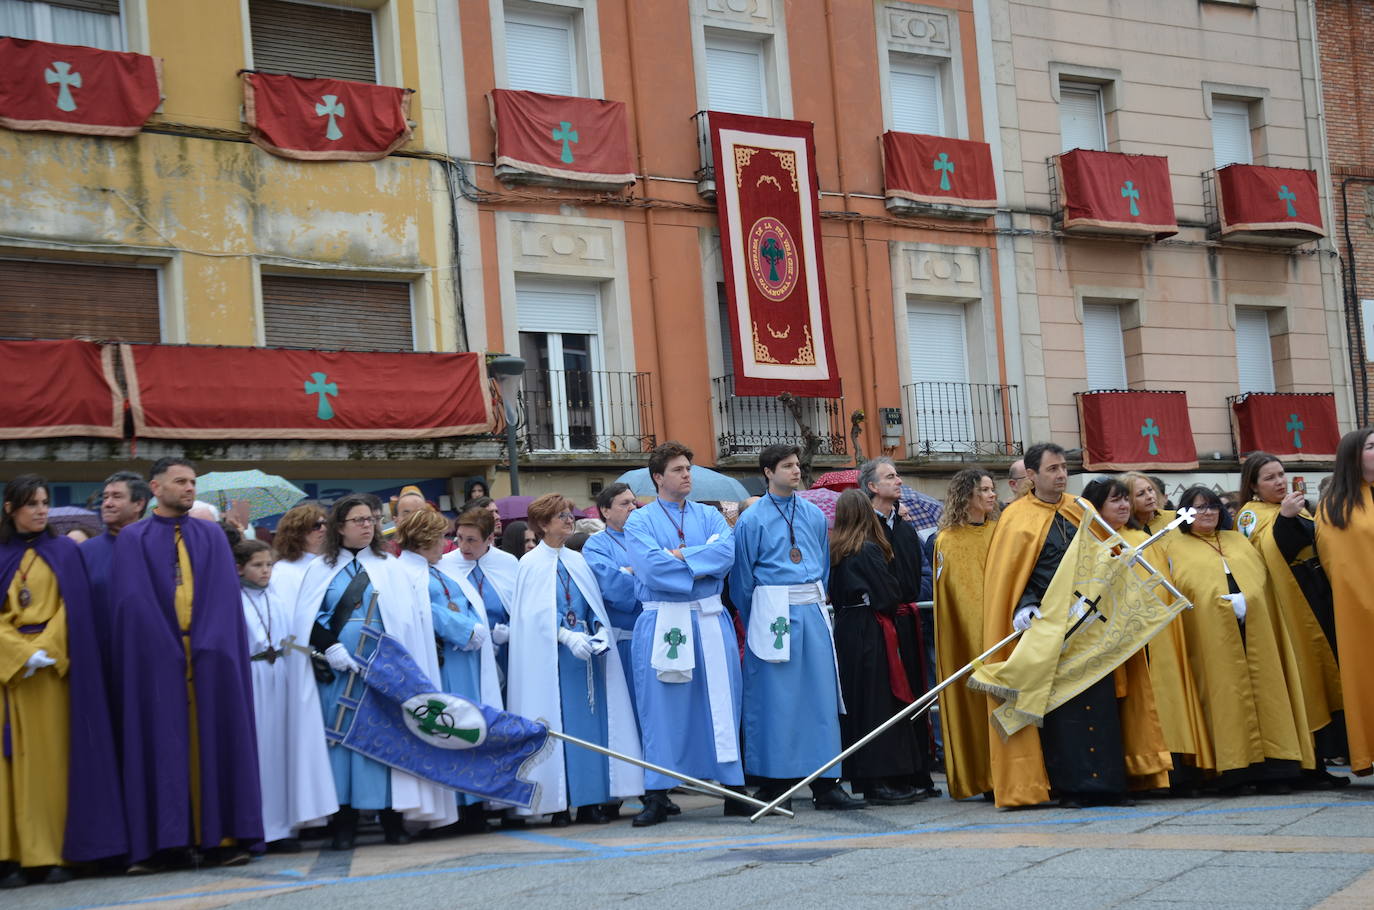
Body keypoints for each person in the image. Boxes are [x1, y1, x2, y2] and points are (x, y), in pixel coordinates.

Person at [978, 445, 1169, 808]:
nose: (1061, 474)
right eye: (1052, 469)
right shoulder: (1016, 518)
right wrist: (1024, 605)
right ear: (1031, 475)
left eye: (1064, 467)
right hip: (1051, 628)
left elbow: (1105, 555)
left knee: (1103, 701)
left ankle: (1111, 783)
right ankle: (1073, 786)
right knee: (1064, 707)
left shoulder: (1080, 509)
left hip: (1093, 623)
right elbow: (1014, 573)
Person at [110, 457, 262, 869]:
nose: (189, 488)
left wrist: (209, 644)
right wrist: (164, 648)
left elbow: (224, 598)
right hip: (157, 659)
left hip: (210, 657)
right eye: (180, 482)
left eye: (192, 482)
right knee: (160, 744)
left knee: (216, 739)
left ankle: (222, 838)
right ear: (155, 489)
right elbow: (132, 601)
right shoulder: (132, 538)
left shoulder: (211, 535)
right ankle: (167, 843)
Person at [294, 493, 453, 850]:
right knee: (341, 743)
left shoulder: (389, 567)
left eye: (372, 519)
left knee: (387, 739)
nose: (368, 526)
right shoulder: (319, 569)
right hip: (339, 669)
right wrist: (330, 647)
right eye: (359, 520)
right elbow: (305, 617)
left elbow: (408, 621)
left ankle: (392, 820)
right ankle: (344, 823)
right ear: (340, 527)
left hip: (384, 668)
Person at [0, 475, 124, 886]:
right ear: (10, 509)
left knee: (53, 765)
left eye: (43, 502)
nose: (40, 510)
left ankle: (51, 854)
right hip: (9, 677)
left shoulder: (65, 553)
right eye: (31, 503)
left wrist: (47, 649)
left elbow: (75, 607)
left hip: (53, 675)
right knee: (10, 767)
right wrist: (18, 653)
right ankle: (11, 855)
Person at [730, 446, 862, 812]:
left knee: (819, 697)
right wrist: (756, 615)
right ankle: (773, 783)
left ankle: (826, 782)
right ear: (768, 472)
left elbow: (822, 565)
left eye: (797, 465)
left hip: (811, 608)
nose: (795, 471)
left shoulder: (814, 515)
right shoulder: (751, 519)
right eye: (787, 466)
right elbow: (742, 578)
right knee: (774, 698)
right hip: (771, 611)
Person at [623, 442, 742, 827]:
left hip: (708, 617)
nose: (687, 474)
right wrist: (697, 560)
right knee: (661, 707)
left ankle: (732, 786)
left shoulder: (709, 515)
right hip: (664, 620)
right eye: (677, 469)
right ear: (658, 477)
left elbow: (726, 555)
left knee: (722, 701)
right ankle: (657, 793)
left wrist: (679, 556)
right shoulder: (640, 521)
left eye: (688, 467)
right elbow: (651, 569)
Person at [507, 494, 643, 826]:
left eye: (570, 515)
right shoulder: (530, 564)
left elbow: (591, 604)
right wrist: (565, 636)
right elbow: (530, 616)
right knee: (556, 727)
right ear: (542, 524)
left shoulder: (578, 560)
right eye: (561, 516)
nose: (569, 520)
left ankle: (589, 801)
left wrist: (597, 630)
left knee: (591, 728)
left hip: (585, 658)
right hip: (551, 659)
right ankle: (557, 803)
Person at [1168, 485, 1314, 793]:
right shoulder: (1174, 546)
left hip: (1256, 624)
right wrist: (1215, 603)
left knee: (1268, 690)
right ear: (1184, 512)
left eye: (1212, 506)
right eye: (1199, 507)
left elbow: (1261, 577)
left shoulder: (1238, 540)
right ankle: (1232, 770)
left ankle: (1277, 768)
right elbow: (1181, 588)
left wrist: (1250, 600)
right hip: (1209, 634)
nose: (1208, 512)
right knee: (1224, 694)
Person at [1236, 453, 1347, 788]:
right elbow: (1265, 552)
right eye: (1269, 478)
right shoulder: (1249, 515)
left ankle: (1331, 755)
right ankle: (1309, 763)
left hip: (1318, 592)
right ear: (1253, 485)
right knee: (1304, 677)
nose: (1279, 482)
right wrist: (1284, 520)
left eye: (1281, 474)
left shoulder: (1298, 507)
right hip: (1288, 600)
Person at [394, 509, 500, 831]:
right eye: (441, 537)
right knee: (449, 730)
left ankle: (475, 804)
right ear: (424, 539)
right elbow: (425, 611)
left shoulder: (436, 569)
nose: (447, 543)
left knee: (469, 729)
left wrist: (476, 626)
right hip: (443, 663)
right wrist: (465, 630)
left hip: (464, 662)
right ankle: (456, 806)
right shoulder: (406, 573)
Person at [234, 539, 336, 853]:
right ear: (239, 568)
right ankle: (258, 826)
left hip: (280, 676)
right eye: (257, 565)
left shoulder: (275, 598)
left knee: (280, 750)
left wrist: (316, 655)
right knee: (260, 751)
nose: (265, 571)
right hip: (254, 677)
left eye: (268, 565)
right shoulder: (233, 600)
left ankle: (283, 826)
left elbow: (291, 636)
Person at [1111, 481, 1213, 792]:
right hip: (1144, 630)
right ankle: (1160, 770)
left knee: (1174, 693)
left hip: (1170, 626)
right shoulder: (1124, 536)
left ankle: (1183, 766)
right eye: (1138, 493)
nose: (1147, 497)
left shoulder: (1162, 528)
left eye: (1149, 491)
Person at [829, 489, 922, 806]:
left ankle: (866, 778)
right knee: (878, 703)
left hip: (846, 630)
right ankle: (880, 780)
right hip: (871, 628)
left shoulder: (836, 550)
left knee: (857, 704)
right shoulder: (868, 550)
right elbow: (888, 594)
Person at [859, 457, 937, 797]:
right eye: (890, 477)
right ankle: (886, 776)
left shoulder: (904, 528)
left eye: (898, 475)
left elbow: (923, 570)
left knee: (915, 696)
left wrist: (911, 598)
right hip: (878, 625)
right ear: (873, 487)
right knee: (885, 699)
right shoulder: (863, 531)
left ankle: (914, 772)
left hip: (907, 621)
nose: (899, 481)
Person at [930, 468, 998, 802]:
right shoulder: (949, 540)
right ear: (967, 496)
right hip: (973, 639)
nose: (991, 495)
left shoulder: (1002, 533)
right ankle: (984, 775)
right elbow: (956, 596)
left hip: (1008, 629)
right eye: (984, 490)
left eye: (992, 489)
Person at [1314, 427, 1374, 779]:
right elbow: (1339, 564)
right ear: (1353, 457)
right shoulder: (1337, 506)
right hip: (1361, 610)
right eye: (1371, 446)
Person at [440, 507, 517, 690]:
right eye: (459, 538)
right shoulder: (445, 564)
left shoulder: (508, 563)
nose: (463, 546)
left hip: (504, 651)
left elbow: (523, 610)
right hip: (463, 650)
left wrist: (512, 631)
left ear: (490, 538)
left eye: (471, 540)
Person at [80, 470, 151, 669]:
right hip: (100, 659)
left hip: (147, 657)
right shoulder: (85, 552)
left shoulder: (157, 548)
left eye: (116, 497)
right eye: (105, 497)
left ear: (139, 504)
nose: (107, 503)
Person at [581, 483, 644, 704]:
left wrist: (630, 571)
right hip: (625, 642)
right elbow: (612, 587)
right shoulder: (595, 545)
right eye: (625, 503)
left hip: (656, 636)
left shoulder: (648, 539)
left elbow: (667, 576)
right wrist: (645, 573)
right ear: (605, 511)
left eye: (634, 502)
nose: (633, 507)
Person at [267, 502, 327, 621]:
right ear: (297, 533)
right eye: (316, 526)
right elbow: (287, 617)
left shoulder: (332, 563)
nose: (324, 529)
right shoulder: (284, 571)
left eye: (326, 524)